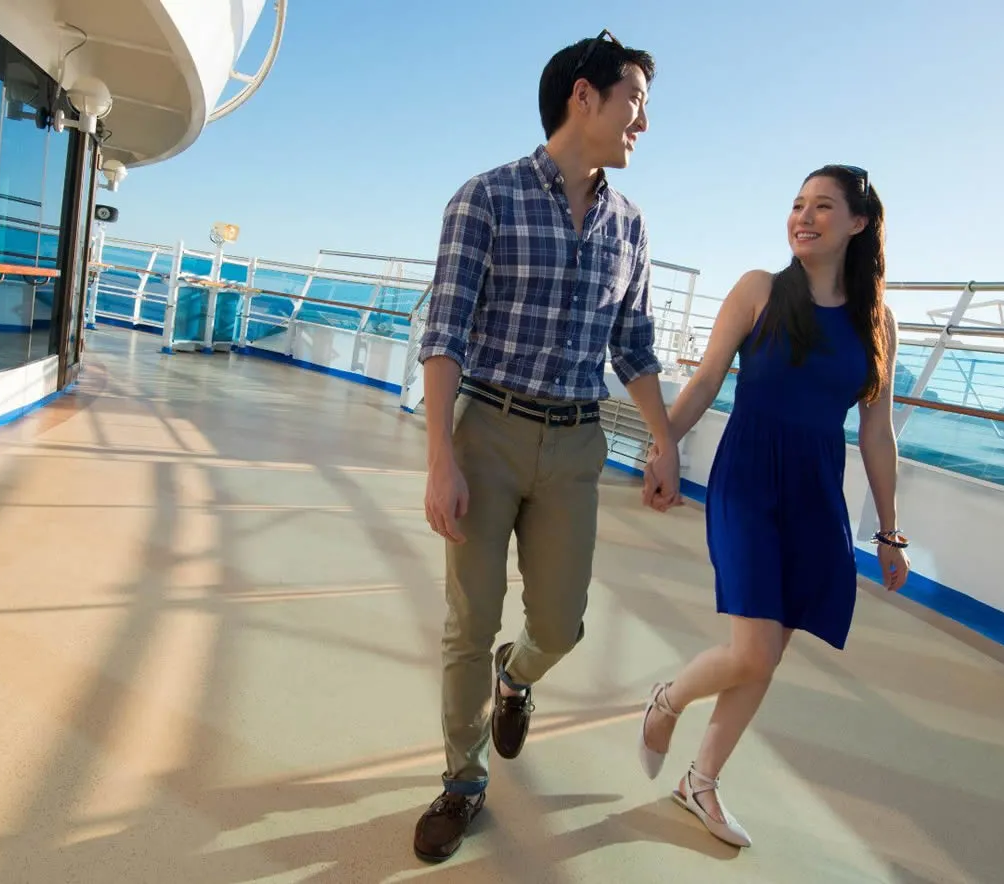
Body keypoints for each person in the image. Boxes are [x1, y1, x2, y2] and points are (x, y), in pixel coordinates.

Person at [409, 29, 680, 864]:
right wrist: (441, 459)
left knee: (559, 624)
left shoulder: (630, 226)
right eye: (635, 100)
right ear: (584, 96)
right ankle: (462, 781)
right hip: (485, 431)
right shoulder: (485, 198)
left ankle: (517, 677)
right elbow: (446, 333)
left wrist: (663, 442)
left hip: (574, 446)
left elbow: (632, 346)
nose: (643, 121)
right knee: (468, 619)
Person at [633, 165, 911, 848]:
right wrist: (664, 447)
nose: (804, 217)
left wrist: (891, 531)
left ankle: (699, 782)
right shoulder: (759, 290)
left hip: (817, 494)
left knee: (768, 656)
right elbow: (703, 380)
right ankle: (666, 700)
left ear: (859, 223)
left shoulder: (877, 322)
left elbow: (877, 432)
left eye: (823, 206)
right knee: (753, 651)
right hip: (750, 480)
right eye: (796, 205)